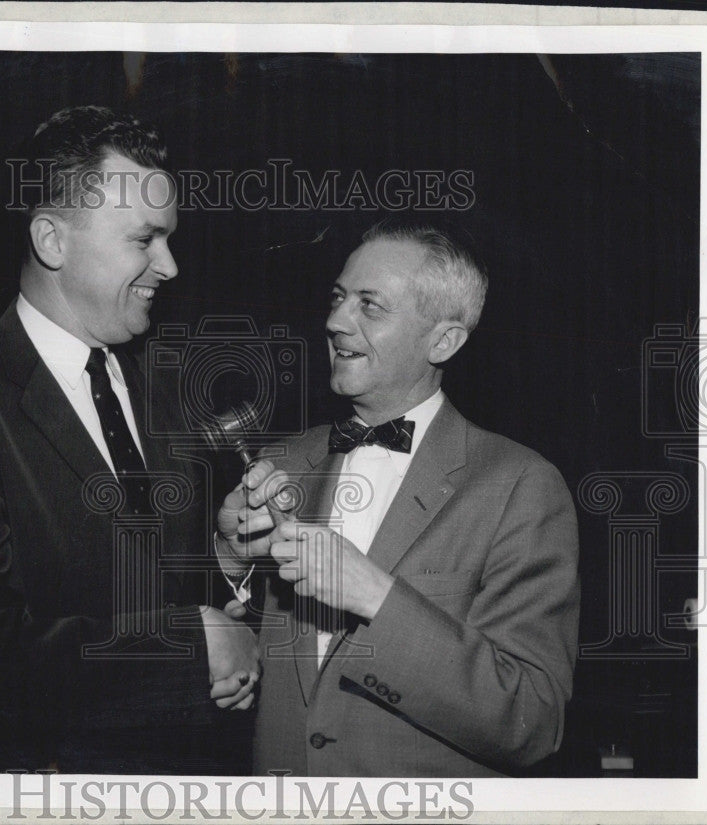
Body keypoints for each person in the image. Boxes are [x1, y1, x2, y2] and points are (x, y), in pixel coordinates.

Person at [0, 106, 257, 773]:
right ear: (52, 241)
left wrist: (224, 558)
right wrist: (189, 650)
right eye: (146, 239)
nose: (169, 265)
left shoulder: (164, 386)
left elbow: (162, 587)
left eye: (169, 238)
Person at [216, 223, 580, 777]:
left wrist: (378, 598)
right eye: (339, 297)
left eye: (371, 305)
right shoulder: (284, 461)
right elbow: (246, 653)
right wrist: (233, 556)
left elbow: (532, 718)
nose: (336, 321)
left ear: (444, 341)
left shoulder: (520, 485)